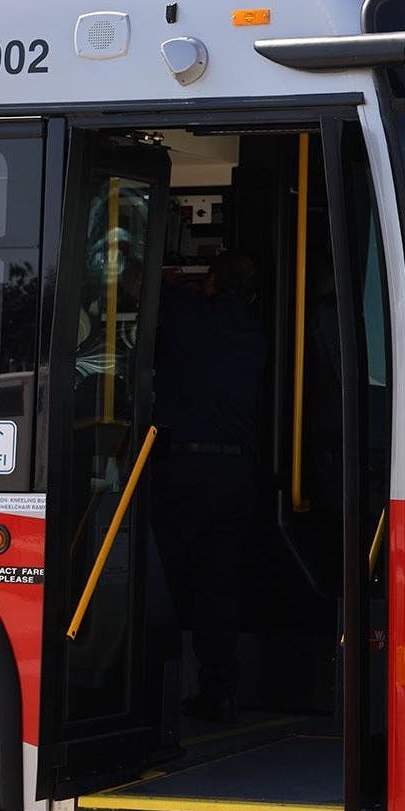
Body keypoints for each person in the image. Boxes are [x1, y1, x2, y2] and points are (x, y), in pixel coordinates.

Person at [151, 253, 267, 723]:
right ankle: (219, 689)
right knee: (218, 587)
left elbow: (135, 283)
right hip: (236, 474)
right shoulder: (255, 335)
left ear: (212, 282)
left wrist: (174, 281)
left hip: (185, 468)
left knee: (161, 581)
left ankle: (149, 695)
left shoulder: (187, 314)